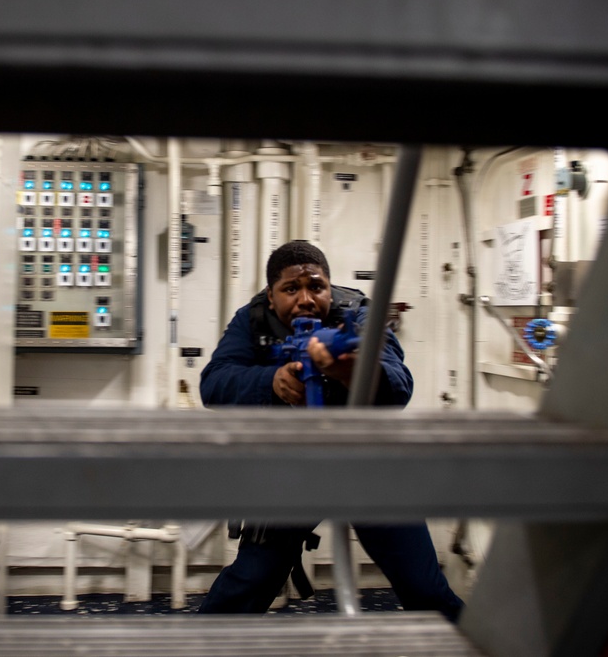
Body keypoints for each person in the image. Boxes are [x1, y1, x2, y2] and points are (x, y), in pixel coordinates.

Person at [196, 240, 464, 621]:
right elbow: (214, 383)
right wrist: (271, 382)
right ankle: (199, 646)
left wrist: (350, 373)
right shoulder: (253, 319)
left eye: (316, 287)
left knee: (424, 588)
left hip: (371, 466)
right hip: (293, 470)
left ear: (330, 286)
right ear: (271, 295)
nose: (305, 299)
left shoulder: (357, 314)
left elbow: (398, 384)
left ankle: (471, 643)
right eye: (291, 289)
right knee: (251, 580)